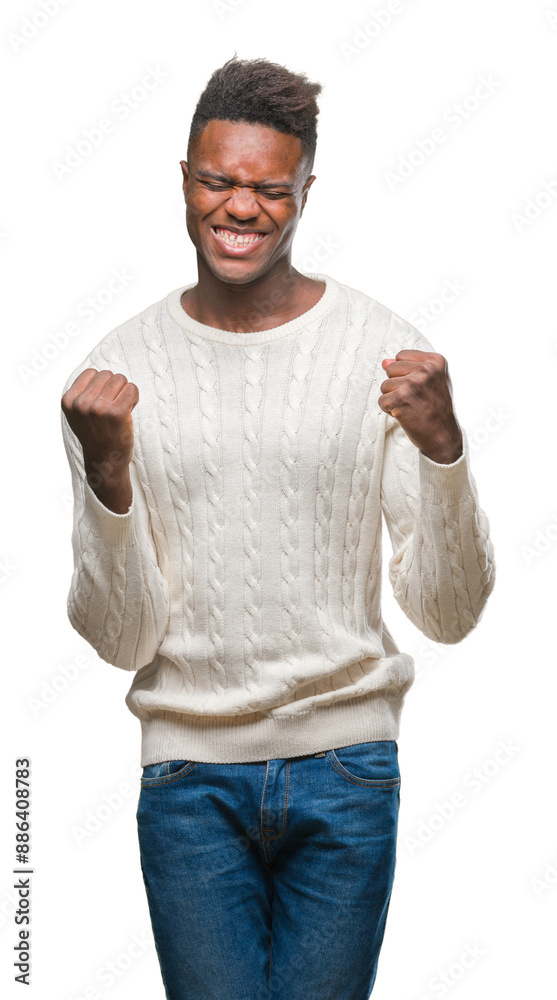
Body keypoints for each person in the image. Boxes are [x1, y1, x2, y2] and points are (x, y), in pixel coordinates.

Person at [60, 55, 496, 1000]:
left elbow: (446, 613)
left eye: (270, 189)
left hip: (347, 772)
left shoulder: (378, 351)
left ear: (304, 193)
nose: (241, 208)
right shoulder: (117, 373)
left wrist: (445, 450)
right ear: (184, 178)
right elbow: (119, 638)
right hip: (187, 780)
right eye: (219, 181)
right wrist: (108, 474)